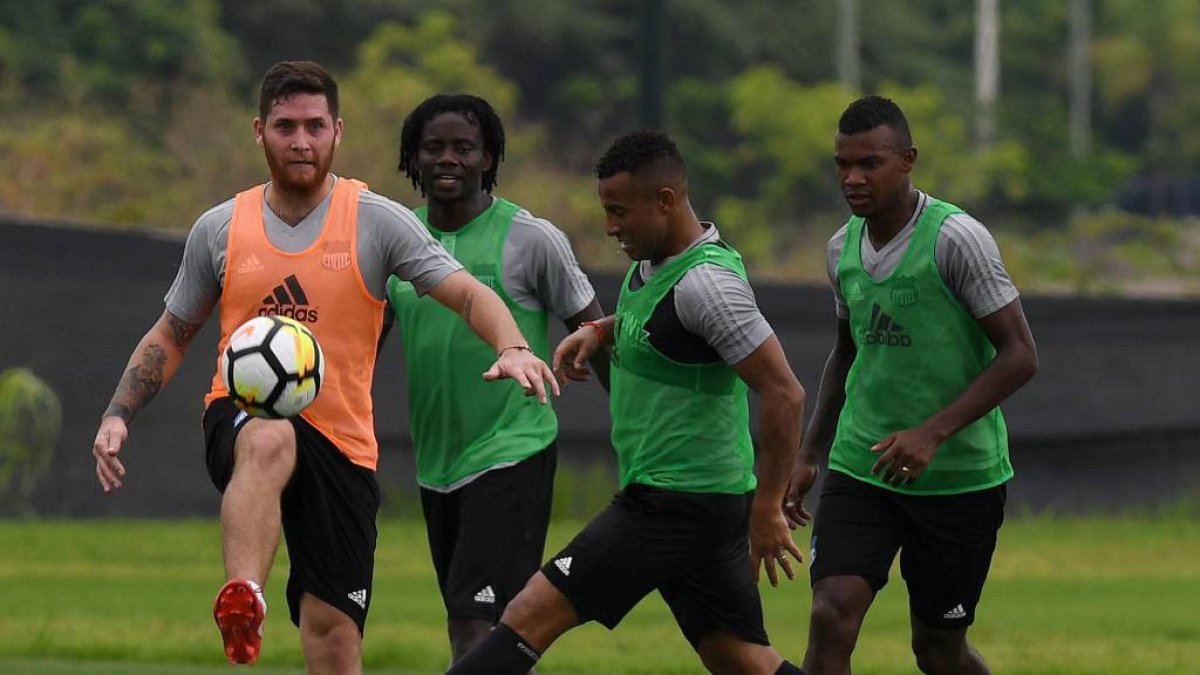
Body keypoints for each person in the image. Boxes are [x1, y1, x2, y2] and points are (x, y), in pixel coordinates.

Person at [89, 61, 558, 673]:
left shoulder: (376, 220)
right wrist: (118, 412)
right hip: (239, 415)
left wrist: (513, 346)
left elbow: (468, 293)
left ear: (338, 131)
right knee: (269, 430)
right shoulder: (220, 228)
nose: (301, 141)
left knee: (333, 634)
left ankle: (281, 607)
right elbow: (172, 333)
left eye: (314, 126)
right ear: (260, 131)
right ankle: (244, 596)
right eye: (286, 126)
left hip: (344, 445)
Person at [445, 130, 808, 675]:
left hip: (672, 502)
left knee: (529, 612)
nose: (611, 226)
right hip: (700, 501)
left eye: (620, 211)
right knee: (739, 657)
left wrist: (769, 508)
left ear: (666, 201)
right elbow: (665, 327)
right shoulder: (659, 264)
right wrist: (601, 329)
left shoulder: (708, 285)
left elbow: (785, 392)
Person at [784, 96, 1038, 675]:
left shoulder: (957, 240)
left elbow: (1021, 356)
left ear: (907, 160)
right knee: (830, 615)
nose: (853, 178)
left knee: (938, 650)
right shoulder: (839, 248)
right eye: (843, 164)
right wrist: (809, 452)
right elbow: (848, 352)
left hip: (958, 481)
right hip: (861, 467)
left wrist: (930, 434)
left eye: (870, 163)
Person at [384, 93, 609, 666]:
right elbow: (357, 346)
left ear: (490, 157)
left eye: (465, 148)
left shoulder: (532, 239)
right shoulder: (395, 241)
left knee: (474, 624)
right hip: (437, 466)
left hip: (513, 451)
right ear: (412, 156)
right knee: (498, 630)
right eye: (433, 148)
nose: (448, 159)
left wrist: (635, 436)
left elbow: (598, 335)